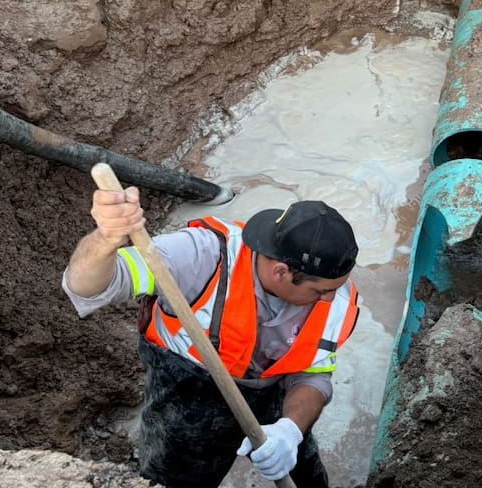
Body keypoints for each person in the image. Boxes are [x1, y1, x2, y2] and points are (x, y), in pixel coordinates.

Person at [63, 185, 361, 488]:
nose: (329, 299)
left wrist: (290, 431)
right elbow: (87, 287)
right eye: (320, 291)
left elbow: (314, 377)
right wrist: (105, 240)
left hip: (273, 396)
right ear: (281, 272)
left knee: (303, 473)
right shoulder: (201, 257)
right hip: (188, 401)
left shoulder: (335, 300)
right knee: (175, 480)